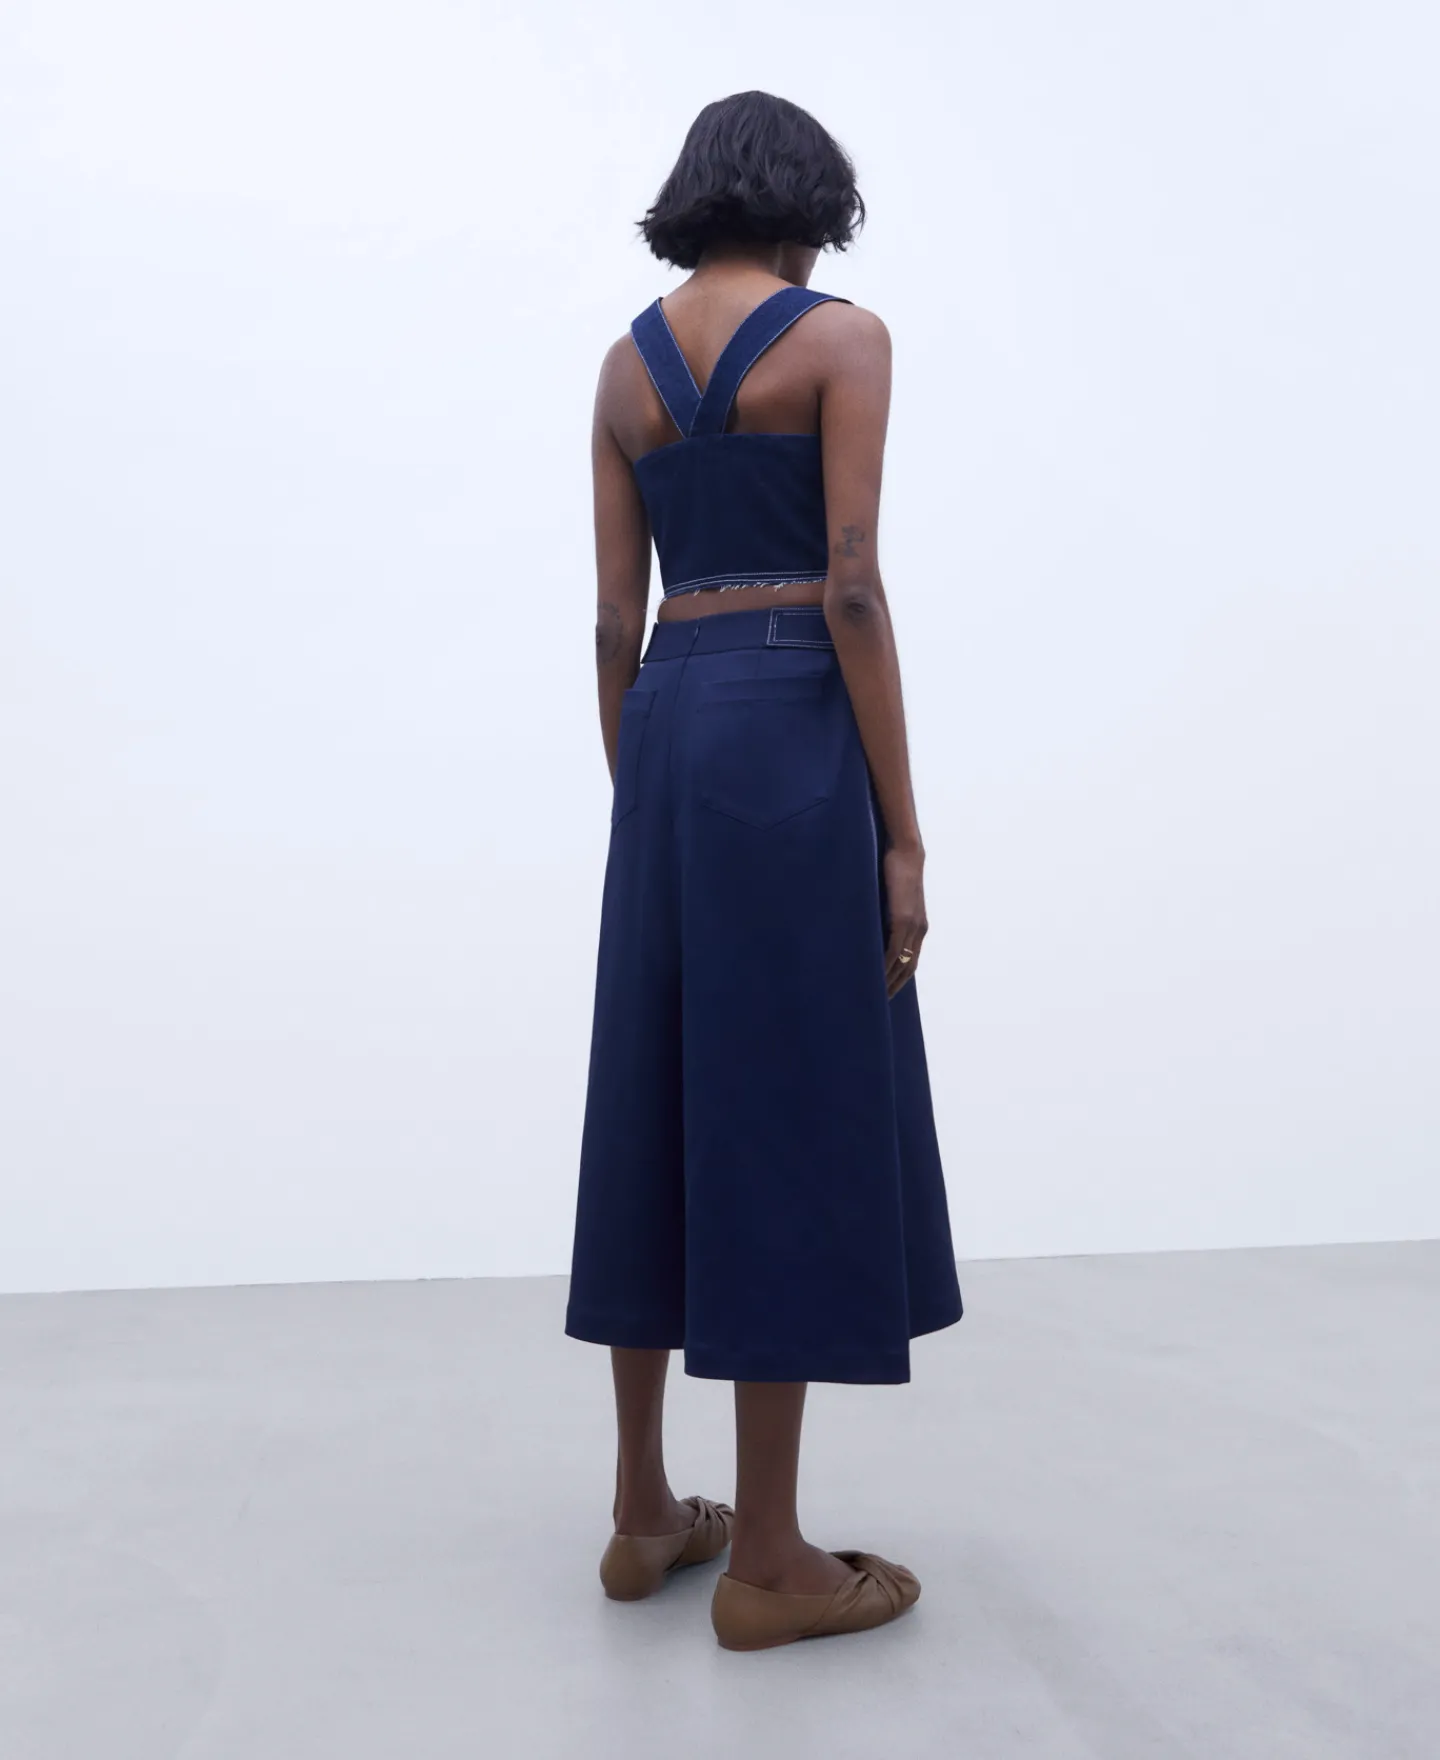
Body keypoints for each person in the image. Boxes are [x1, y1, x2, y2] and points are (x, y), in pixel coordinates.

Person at [565, 89, 963, 1652]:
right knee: (781, 1102)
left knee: (657, 1086)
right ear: (809, 202)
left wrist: (646, 791)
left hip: (668, 724)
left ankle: (644, 1509)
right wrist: (903, 834)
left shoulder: (623, 369)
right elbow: (851, 584)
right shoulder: (840, 341)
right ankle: (773, 1560)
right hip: (792, 719)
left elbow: (614, 618)